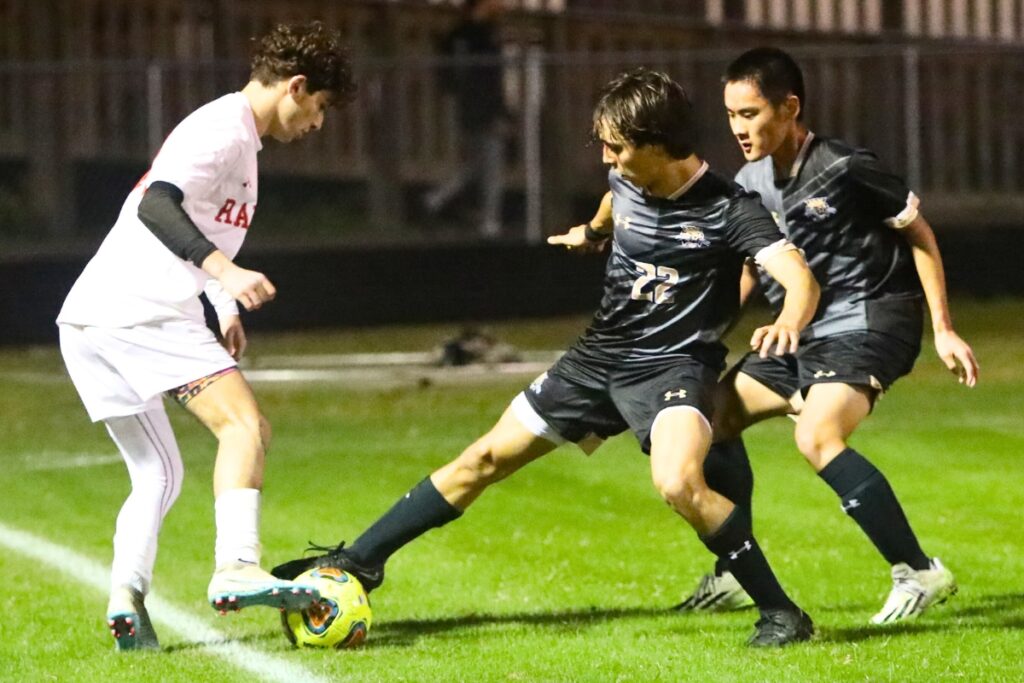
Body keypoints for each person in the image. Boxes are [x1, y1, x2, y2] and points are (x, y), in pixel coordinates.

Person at [273, 68, 822, 647]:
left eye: (616, 145)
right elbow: (616, 202)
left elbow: (798, 277)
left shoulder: (731, 210)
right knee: (481, 458)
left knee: (678, 482)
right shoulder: (628, 184)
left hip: (671, 368)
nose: (606, 157)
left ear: (657, 144)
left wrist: (788, 318)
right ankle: (360, 562)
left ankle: (783, 613)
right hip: (595, 360)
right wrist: (592, 232)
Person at [56, 21, 357, 651]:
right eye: (321, 108)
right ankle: (237, 566)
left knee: (155, 475)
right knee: (245, 427)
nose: (318, 125)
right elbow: (156, 204)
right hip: (141, 312)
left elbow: (199, 227)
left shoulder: (242, 143)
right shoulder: (222, 129)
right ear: (297, 87)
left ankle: (126, 597)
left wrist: (223, 305)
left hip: (90, 318)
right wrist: (225, 273)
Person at [674, 47, 978, 625]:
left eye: (750, 113)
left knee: (816, 436)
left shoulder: (845, 166)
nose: (738, 128)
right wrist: (705, 330)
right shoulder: (749, 181)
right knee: (706, 420)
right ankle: (735, 574)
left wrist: (943, 328)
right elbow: (746, 269)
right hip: (802, 333)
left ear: (790, 107)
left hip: (873, 320)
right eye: (731, 115)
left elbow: (920, 236)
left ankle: (918, 571)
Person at [423, 0, 508, 238]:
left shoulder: (462, 35)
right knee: (491, 165)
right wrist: (497, 112)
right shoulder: (480, 38)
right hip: (480, 109)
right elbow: (487, 79)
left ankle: (435, 200)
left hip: (469, 108)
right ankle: (491, 220)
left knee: (474, 165)